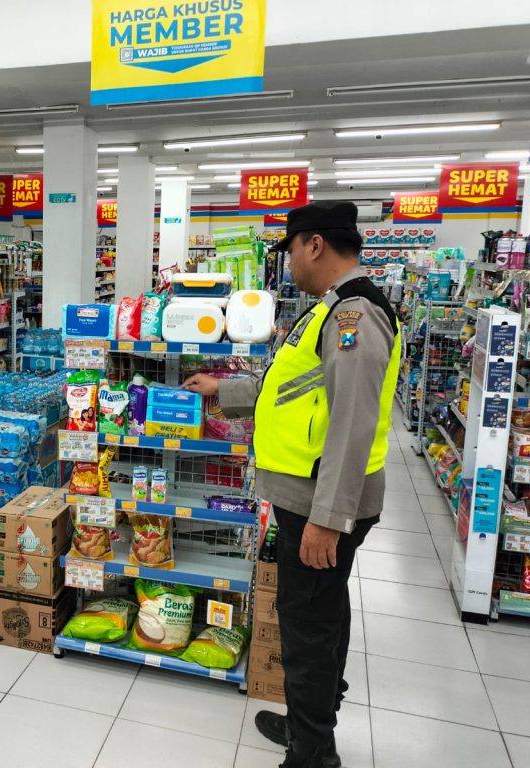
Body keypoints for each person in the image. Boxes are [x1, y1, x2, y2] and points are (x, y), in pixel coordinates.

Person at [184, 201, 400, 768]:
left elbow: (352, 423)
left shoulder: (354, 316)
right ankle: (311, 720)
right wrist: (223, 390)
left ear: (315, 245)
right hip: (309, 497)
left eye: (292, 250)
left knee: (306, 627)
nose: (290, 263)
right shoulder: (330, 308)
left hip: (320, 504)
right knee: (322, 614)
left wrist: (329, 518)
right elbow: (295, 389)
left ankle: (311, 754)